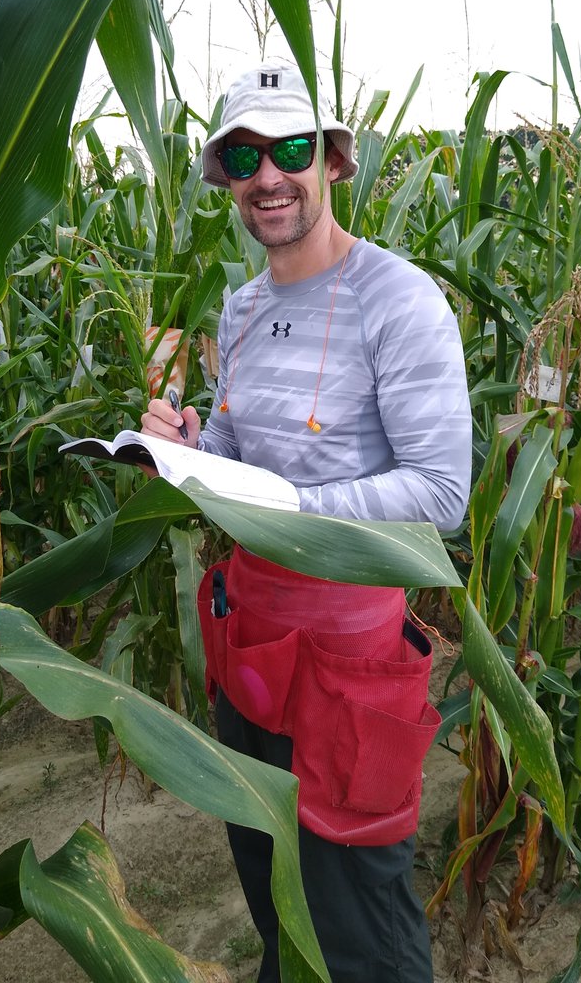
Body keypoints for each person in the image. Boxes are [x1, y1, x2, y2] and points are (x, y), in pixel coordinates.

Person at [141, 61, 472, 982]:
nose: (268, 177)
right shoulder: (243, 308)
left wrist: (294, 512)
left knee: (358, 918)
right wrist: (192, 441)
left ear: (331, 161)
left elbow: (443, 492)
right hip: (249, 649)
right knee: (273, 887)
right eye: (244, 158)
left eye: (290, 150)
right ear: (228, 180)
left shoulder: (398, 301)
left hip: (346, 672)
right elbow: (247, 449)